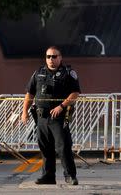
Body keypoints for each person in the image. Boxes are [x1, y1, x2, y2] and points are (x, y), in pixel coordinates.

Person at [21, 46, 80, 185]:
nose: (51, 59)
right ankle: (48, 176)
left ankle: (70, 176)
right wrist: (24, 112)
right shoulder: (39, 72)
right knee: (45, 147)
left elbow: (75, 94)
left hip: (58, 117)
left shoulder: (68, 73)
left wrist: (61, 106)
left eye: (54, 56)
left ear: (60, 58)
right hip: (41, 117)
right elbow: (30, 94)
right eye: (48, 56)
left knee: (63, 146)